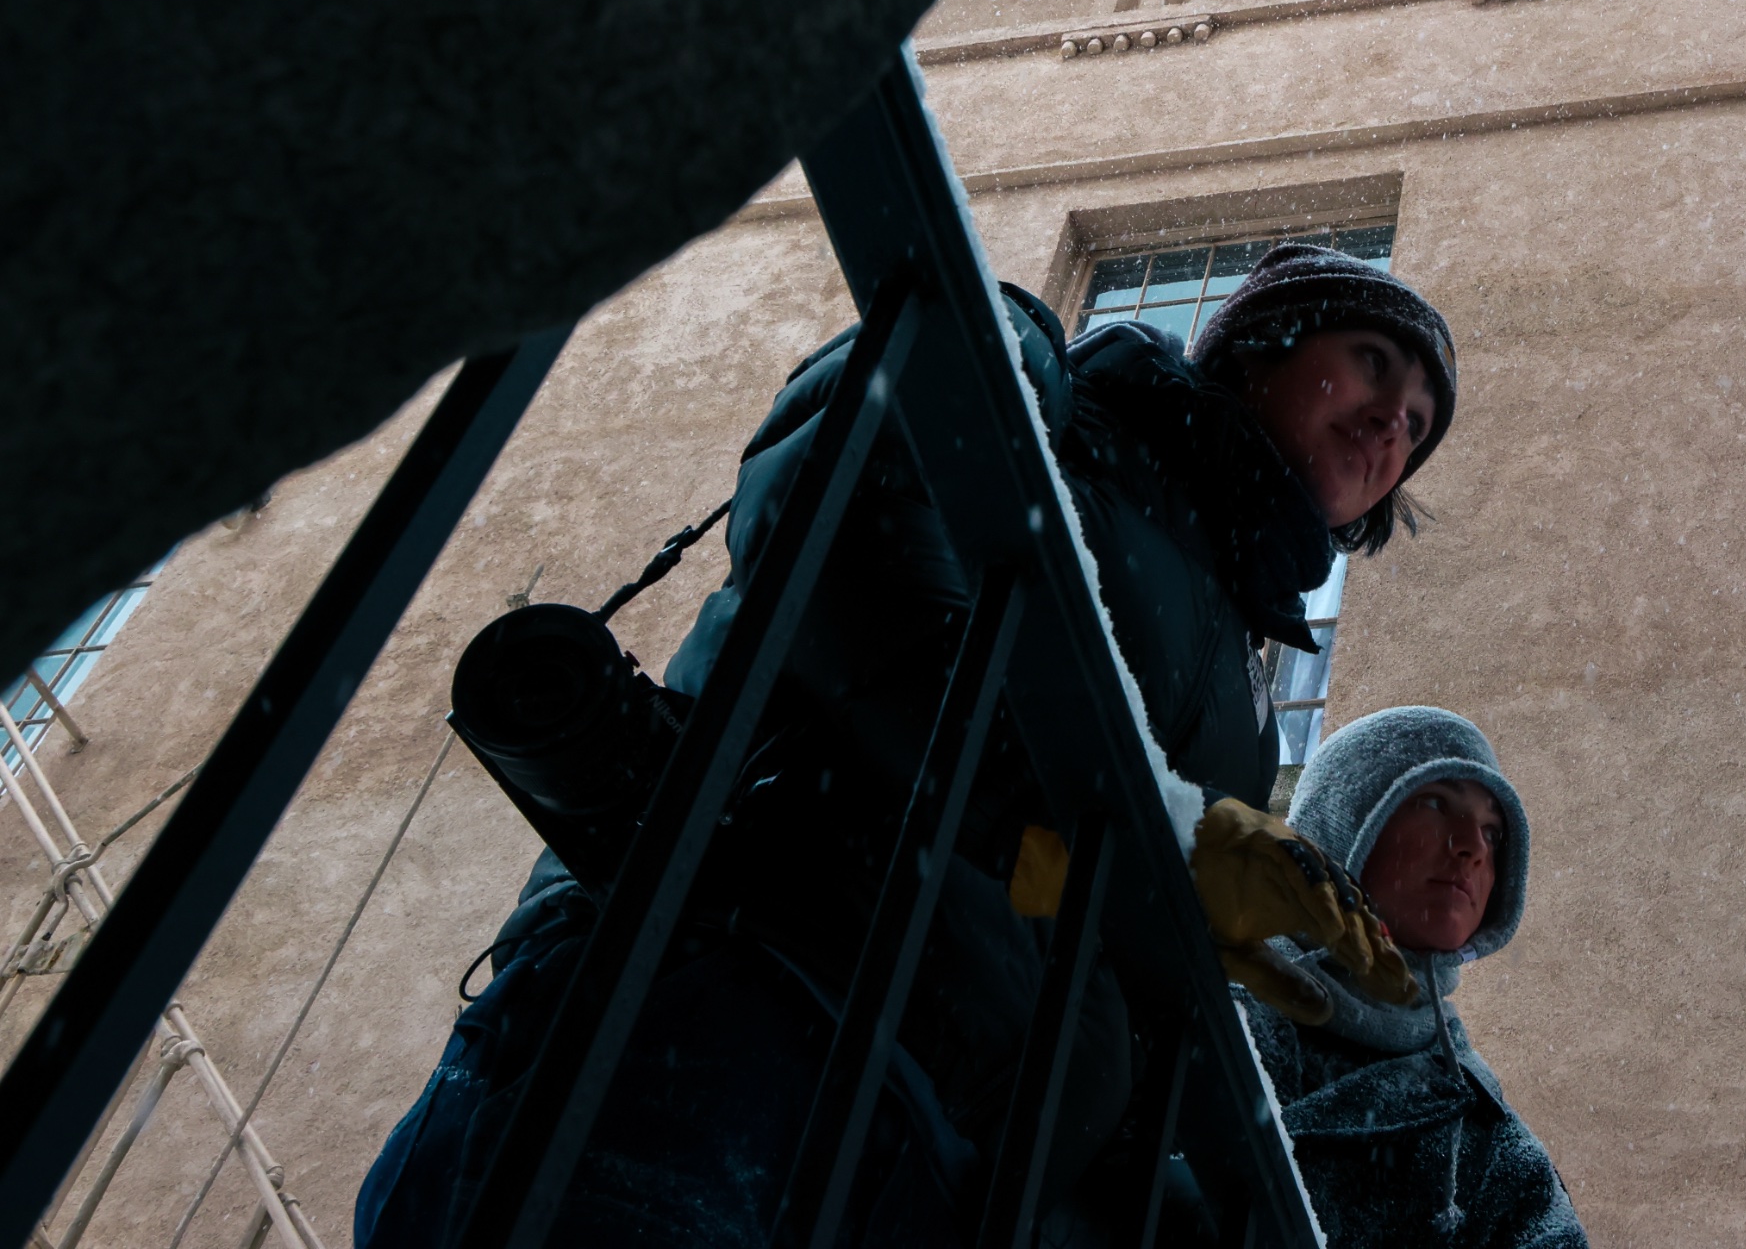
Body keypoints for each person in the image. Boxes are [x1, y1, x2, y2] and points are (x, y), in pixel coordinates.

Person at [358, 244, 1456, 1247]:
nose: (1389, 424)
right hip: (739, 1003)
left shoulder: (1245, 708)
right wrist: (1074, 829)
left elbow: (1105, 987)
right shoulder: (1048, 390)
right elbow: (846, 528)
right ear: (1260, 338)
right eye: (1369, 365)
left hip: (928, 1160)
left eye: (1415, 421)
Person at [1245, 706, 1587, 1249]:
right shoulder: (1217, 1001)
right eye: (1434, 803)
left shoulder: (1476, 1127)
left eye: (1493, 833)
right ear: (1345, 818)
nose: (1473, 846)